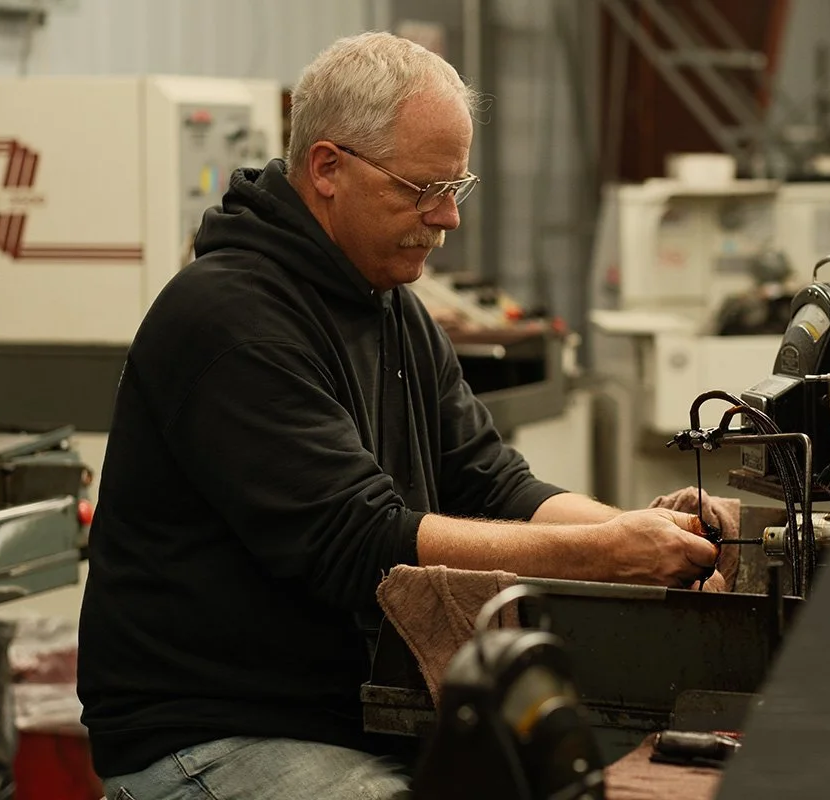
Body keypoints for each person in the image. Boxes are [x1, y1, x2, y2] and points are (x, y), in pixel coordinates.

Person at [77, 31, 719, 800]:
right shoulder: (229, 317)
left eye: (457, 186)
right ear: (327, 169)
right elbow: (359, 539)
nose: (447, 218)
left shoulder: (390, 309)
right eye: (422, 188)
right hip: (214, 736)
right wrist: (608, 554)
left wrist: (650, 538)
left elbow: (492, 482)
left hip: (356, 719)